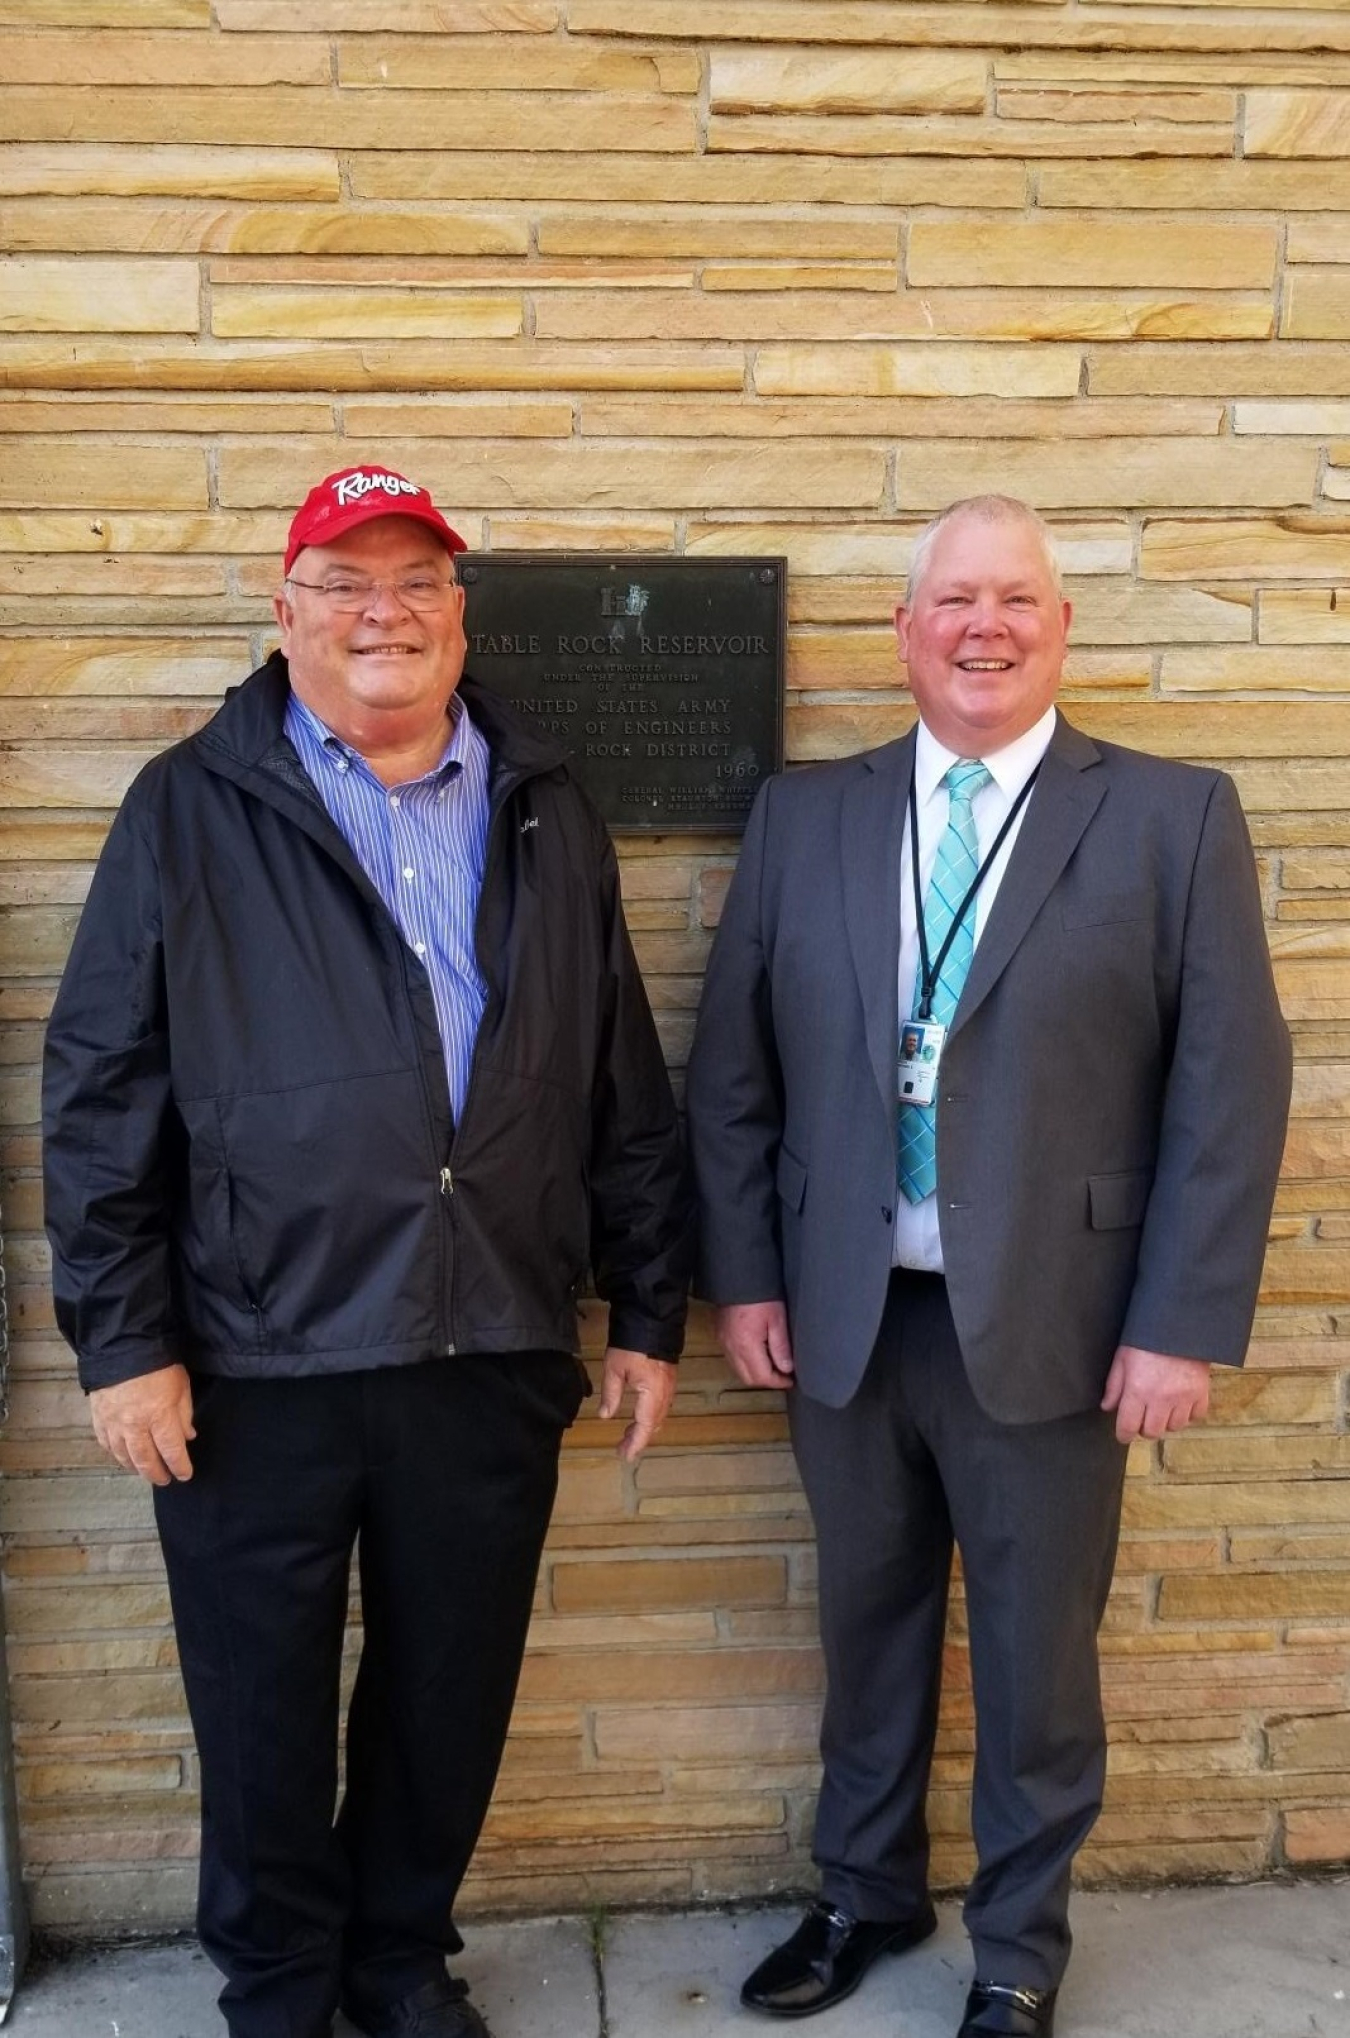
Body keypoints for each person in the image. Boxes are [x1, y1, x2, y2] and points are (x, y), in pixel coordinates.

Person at [43, 465, 690, 2038]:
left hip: (489, 1339)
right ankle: (277, 1985)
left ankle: (400, 1960)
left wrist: (646, 1306)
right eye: (344, 583)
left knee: (446, 1691)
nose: (382, 612)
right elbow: (101, 1086)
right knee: (260, 1706)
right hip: (259, 1356)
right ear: (286, 615)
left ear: (461, 616)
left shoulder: (545, 800)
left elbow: (615, 1068)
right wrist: (125, 1339)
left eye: (415, 582)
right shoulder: (188, 808)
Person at [684, 495, 1290, 2038]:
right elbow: (734, 1069)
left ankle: (1016, 1949)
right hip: (846, 1313)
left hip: (1059, 1325)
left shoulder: (1168, 817)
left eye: (1014, 598)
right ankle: (862, 1892)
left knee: (1033, 1662)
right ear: (902, 632)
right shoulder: (803, 814)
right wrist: (744, 1274)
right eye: (951, 599)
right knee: (863, 1629)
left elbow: (1229, 1086)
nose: (982, 626)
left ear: (1060, 629)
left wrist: (1177, 1325)